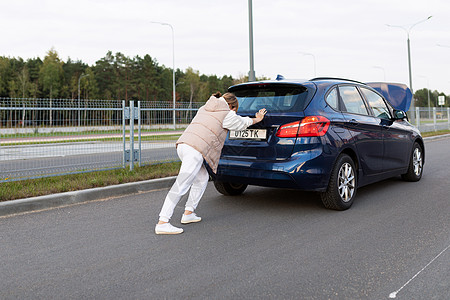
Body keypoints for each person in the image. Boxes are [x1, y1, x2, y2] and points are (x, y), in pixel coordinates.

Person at [155, 91, 267, 234]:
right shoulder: (228, 113)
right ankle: (163, 222)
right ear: (232, 106)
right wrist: (257, 119)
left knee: (202, 178)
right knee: (181, 184)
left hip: (184, 145)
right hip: (195, 150)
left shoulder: (205, 107)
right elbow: (241, 123)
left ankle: (189, 213)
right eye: (235, 109)